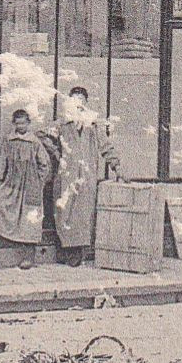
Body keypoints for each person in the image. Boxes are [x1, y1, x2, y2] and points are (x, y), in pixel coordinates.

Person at [0, 108, 61, 270]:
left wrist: (39, 182)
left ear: (28, 123)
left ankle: (28, 256)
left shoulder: (35, 142)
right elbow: (3, 160)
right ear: (14, 124)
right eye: (17, 123)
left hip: (30, 185)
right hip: (12, 183)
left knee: (29, 217)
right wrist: (0, 179)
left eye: (23, 123)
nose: (21, 126)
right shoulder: (8, 140)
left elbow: (44, 163)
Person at [50, 87, 120, 267]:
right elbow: (44, 136)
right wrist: (57, 154)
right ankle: (65, 249)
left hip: (87, 174)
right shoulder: (63, 123)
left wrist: (116, 165)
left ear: (86, 103)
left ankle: (76, 252)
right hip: (67, 174)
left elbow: (105, 146)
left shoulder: (93, 125)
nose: (78, 104)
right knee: (64, 210)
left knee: (82, 212)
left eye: (81, 100)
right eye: (74, 100)